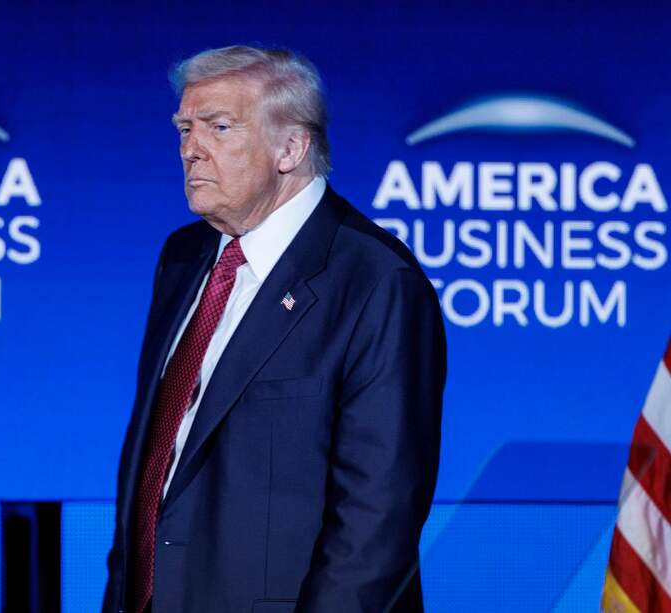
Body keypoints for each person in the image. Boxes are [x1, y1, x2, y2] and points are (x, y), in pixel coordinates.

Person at [103, 45, 446, 613]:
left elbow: (376, 523)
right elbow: (157, 468)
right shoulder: (184, 257)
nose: (191, 149)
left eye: (219, 127)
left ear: (291, 147)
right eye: (184, 128)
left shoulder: (377, 280)